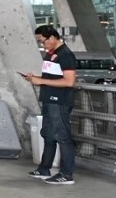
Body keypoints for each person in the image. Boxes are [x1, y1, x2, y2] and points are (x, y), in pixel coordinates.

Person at [23, 25, 77, 185]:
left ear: (52, 37)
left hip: (59, 101)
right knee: (48, 134)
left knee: (63, 136)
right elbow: (52, 78)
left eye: (43, 41)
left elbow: (69, 81)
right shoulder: (50, 54)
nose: (42, 44)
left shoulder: (65, 55)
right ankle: (44, 168)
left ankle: (66, 174)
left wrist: (41, 81)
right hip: (48, 100)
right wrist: (36, 78)